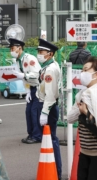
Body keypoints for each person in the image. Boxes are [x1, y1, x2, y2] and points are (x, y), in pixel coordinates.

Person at [36, 38, 62, 179]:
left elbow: (51, 94)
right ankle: (52, 170)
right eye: (39, 51)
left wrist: (44, 112)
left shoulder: (50, 69)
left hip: (49, 107)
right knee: (49, 140)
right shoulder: (47, 67)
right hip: (47, 105)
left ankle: (55, 171)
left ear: (50, 54)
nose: (39, 54)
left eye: (42, 52)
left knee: (51, 140)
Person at [8, 38, 42, 144]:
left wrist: (24, 75)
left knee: (34, 112)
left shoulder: (29, 58)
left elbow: (37, 74)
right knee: (28, 112)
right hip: (31, 88)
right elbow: (24, 79)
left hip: (39, 87)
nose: (11, 51)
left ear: (19, 48)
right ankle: (31, 134)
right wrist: (27, 91)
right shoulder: (18, 61)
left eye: (13, 48)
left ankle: (37, 136)